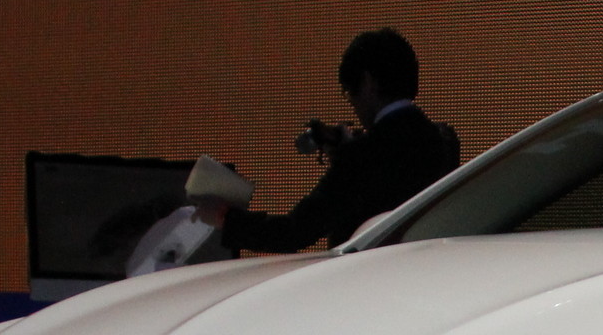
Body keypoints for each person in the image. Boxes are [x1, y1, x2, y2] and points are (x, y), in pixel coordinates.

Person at [195, 28, 459, 253]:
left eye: (349, 92)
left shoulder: (363, 157)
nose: (353, 105)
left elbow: (295, 232)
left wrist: (225, 218)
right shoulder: (443, 141)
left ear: (367, 83)